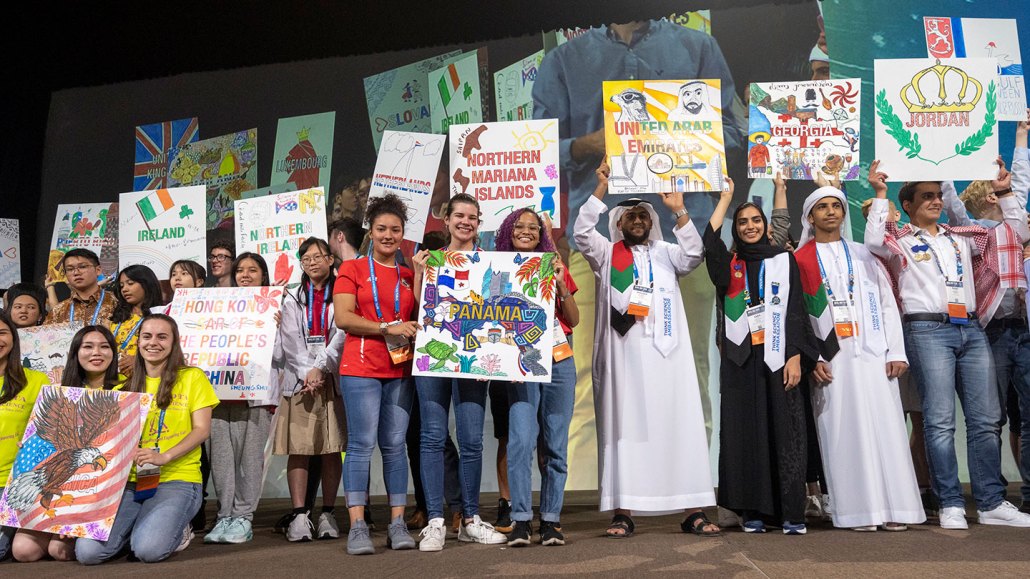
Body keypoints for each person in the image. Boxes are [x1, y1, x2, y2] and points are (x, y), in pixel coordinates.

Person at [534, 19, 745, 480]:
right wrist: (595, 143)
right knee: (590, 374)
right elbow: (540, 147)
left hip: (682, 231)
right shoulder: (565, 59)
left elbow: (734, 130)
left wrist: (680, 135)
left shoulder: (697, 46)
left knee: (690, 366)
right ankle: (593, 493)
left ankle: (688, 486)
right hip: (600, 245)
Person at [865, 159, 1030, 529]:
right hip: (926, 331)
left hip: (970, 329)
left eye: (938, 195)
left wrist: (1004, 191)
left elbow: (1014, 234)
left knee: (986, 420)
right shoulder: (902, 240)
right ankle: (950, 502)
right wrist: (879, 193)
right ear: (907, 204)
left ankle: (990, 503)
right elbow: (874, 240)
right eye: (926, 196)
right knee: (939, 422)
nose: (936, 201)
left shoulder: (964, 237)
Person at [575, 163, 720, 538]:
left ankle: (692, 510)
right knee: (625, 431)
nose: (637, 220)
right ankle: (623, 512)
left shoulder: (666, 252)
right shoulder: (606, 254)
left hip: (669, 359)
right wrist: (601, 189)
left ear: (650, 221)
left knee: (680, 425)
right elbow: (581, 232)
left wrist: (679, 211)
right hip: (624, 361)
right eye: (630, 216)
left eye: (643, 215)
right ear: (620, 222)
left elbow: (694, 255)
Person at [794, 187, 925, 531]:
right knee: (842, 431)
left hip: (873, 354)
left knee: (887, 429)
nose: (831, 212)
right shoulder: (800, 260)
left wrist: (895, 350)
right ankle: (857, 512)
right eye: (822, 207)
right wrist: (812, 358)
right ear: (810, 217)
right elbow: (797, 318)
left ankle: (897, 509)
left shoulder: (865, 254)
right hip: (832, 359)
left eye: (836, 205)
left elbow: (886, 302)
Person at [704, 179, 817, 535]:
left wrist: (796, 355)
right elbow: (709, 243)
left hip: (780, 355)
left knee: (785, 433)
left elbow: (797, 310)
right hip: (741, 360)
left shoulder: (783, 260)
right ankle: (751, 510)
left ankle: (791, 513)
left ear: (765, 226)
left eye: (756, 220)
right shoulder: (729, 265)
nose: (750, 226)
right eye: (742, 222)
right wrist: (724, 199)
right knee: (744, 435)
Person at [76, 315, 218, 564]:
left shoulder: (192, 377)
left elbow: (201, 430)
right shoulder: (123, 387)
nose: (154, 343)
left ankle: (177, 528)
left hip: (177, 479)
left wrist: (165, 456)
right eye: (147, 336)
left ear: (174, 343)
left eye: (162, 337)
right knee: (88, 553)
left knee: (148, 551)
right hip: (129, 483)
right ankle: (137, 530)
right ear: (138, 342)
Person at [411, 194, 508, 551]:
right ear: (447, 220)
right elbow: (421, 309)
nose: (465, 222)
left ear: (478, 222)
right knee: (432, 438)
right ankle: (436, 520)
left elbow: (495, 312)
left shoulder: (490, 264)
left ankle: (470, 519)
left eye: (472, 217)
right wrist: (420, 273)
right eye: (459, 216)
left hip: (472, 360)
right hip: (434, 358)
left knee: (471, 441)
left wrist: (489, 356)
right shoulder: (431, 260)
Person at [943, 116, 1030, 509]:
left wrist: (1023, 135)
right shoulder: (974, 231)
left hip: (1024, 331)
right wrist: (939, 158)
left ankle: (1026, 494)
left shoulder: (1016, 226)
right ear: (987, 198)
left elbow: (1018, 197)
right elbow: (953, 208)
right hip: (991, 331)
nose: (1009, 195)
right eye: (999, 191)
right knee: (989, 420)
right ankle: (992, 496)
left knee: (1028, 419)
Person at [334, 193, 418, 555]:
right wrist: (386, 327)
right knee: (360, 445)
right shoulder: (351, 270)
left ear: (403, 233)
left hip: (400, 369)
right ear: (370, 230)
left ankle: (397, 523)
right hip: (361, 367)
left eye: (395, 229)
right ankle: (357, 526)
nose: (388, 235)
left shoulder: (409, 273)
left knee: (395, 446)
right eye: (381, 228)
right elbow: (344, 318)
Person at [494, 209, 579, 547]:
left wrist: (561, 285)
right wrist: (504, 359)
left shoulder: (554, 265)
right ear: (508, 231)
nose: (526, 231)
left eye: (533, 227)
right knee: (520, 441)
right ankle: (520, 521)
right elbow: (490, 317)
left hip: (560, 360)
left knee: (556, 444)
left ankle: (552, 520)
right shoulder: (497, 268)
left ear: (541, 233)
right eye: (519, 226)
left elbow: (574, 318)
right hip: (519, 360)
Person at [11, 325, 123, 561]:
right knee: (23, 550)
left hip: (105, 492)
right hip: (55, 484)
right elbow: (48, 441)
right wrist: (31, 446)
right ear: (75, 352)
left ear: (113, 353)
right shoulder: (63, 392)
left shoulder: (129, 388)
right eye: (88, 346)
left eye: (104, 347)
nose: (97, 353)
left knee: (59, 551)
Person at [274, 237, 346, 542]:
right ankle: (300, 515)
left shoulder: (343, 289)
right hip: (301, 383)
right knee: (299, 449)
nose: (313, 262)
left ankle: (328, 512)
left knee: (332, 450)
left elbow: (342, 331)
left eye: (318, 256)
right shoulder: (291, 295)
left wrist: (322, 367)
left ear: (330, 259)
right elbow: (290, 340)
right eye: (306, 258)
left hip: (333, 378)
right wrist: (308, 372)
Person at [205, 252, 274, 544]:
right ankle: (224, 517)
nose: (245, 275)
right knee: (221, 460)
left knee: (248, 461)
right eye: (241, 270)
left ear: (263, 275)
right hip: (219, 394)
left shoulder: (274, 306)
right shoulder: (218, 305)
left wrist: (277, 327)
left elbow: (280, 355)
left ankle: (243, 516)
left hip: (255, 396)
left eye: (253, 270)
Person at [0, 311, 50, 561]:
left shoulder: (36, 380)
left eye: (2, 333)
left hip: (13, 482)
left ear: (13, 338)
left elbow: (50, 433)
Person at [109, 265, 164, 378]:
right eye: (121, 286)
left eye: (130, 283)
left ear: (146, 284)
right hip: (110, 378)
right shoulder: (115, 317)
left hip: (142, 379)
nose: (124, 289)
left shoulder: (161, 316)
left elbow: (167, 350)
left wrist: (139, 361)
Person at [44, 249, 117, 326]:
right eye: (70, 269)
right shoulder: (58, 310)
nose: (76, 272)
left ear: (98, 270)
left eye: (82, 267)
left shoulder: (117, 303)